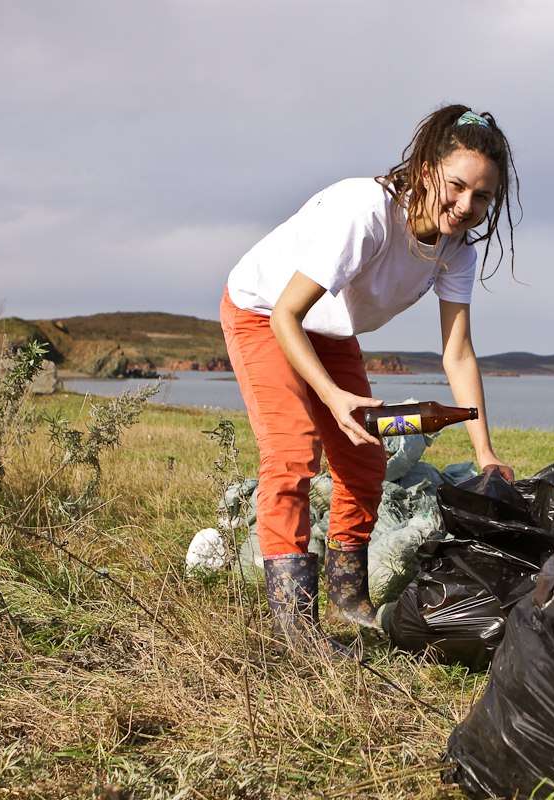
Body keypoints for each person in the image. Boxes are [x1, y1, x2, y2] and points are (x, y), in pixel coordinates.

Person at [220, 104, 519, 637]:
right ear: (426, 169)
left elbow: (458, 353)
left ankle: (347, 595)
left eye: (482, 196)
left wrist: (485, 454)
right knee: (292, 450)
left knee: (363, 457)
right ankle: (294, 629)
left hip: (330, 329)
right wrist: (333, 397)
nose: (466, 205)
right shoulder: (365, 214)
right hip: (265, 312)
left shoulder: (456, 251)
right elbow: (288, 313)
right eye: (456, 186)